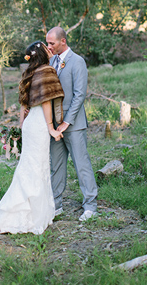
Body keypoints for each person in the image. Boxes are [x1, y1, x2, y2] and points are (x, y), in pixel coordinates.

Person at [0, 41, 65, 235]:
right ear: (42, 53)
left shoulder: (30, 73)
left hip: (30, 124)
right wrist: (51, 128)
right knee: (37, 167)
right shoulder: (47, 71)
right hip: (41, 122)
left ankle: (33, 210)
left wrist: (21, 125)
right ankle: (31, 214)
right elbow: (46, 102)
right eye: (46, 46)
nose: (49, 48)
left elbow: (23, 105)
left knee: (30, 165)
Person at [46, 26, 98, 222]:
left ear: (63, 42)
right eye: (48, 43)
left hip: (73, 124)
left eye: (52, 43)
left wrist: (67, 122)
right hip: (54, 127)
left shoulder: (77, 62)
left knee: (81, 164)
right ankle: (55, 205)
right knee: (56, 166)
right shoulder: (51, 61)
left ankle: (91, 206)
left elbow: (79, 95)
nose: (49, 46)